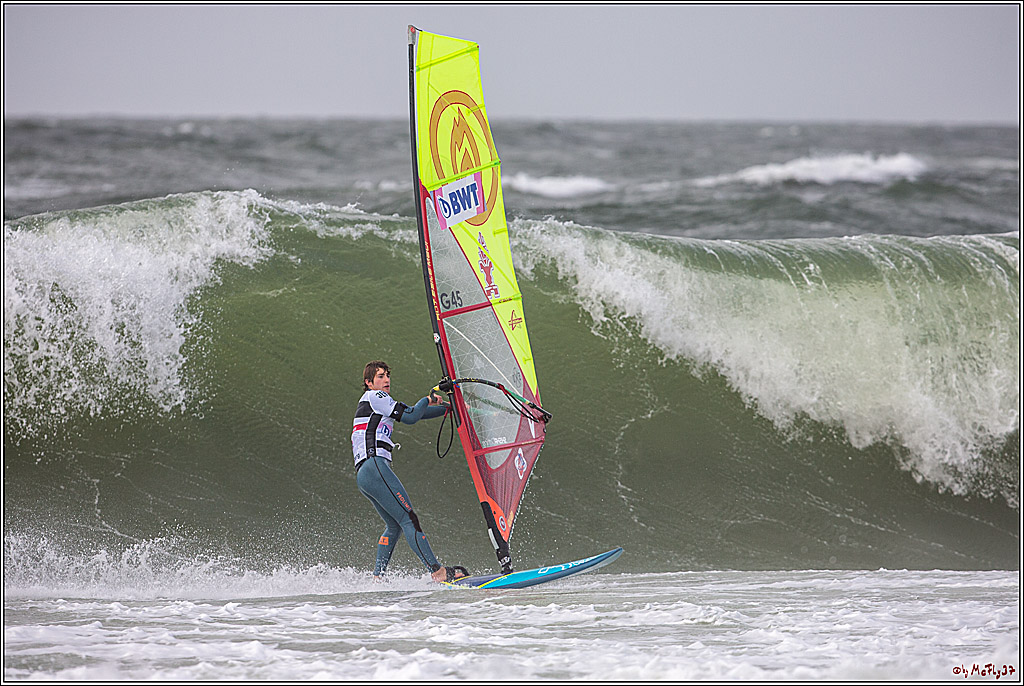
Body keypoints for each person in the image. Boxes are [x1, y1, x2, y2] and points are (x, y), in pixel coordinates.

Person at [352, 360, 468, 583]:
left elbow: (416, 413)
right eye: (380, 376)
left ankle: (377, 578)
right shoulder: (376, 397)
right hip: (375, 466)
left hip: (365, 474)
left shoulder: (374, 402)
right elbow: (412, 416)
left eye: (387, 375)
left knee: (394, 526)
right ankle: (437, 571)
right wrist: (428, 399)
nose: (386, 380)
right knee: (409, 520)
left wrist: (449, 409)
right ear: (368, 383)